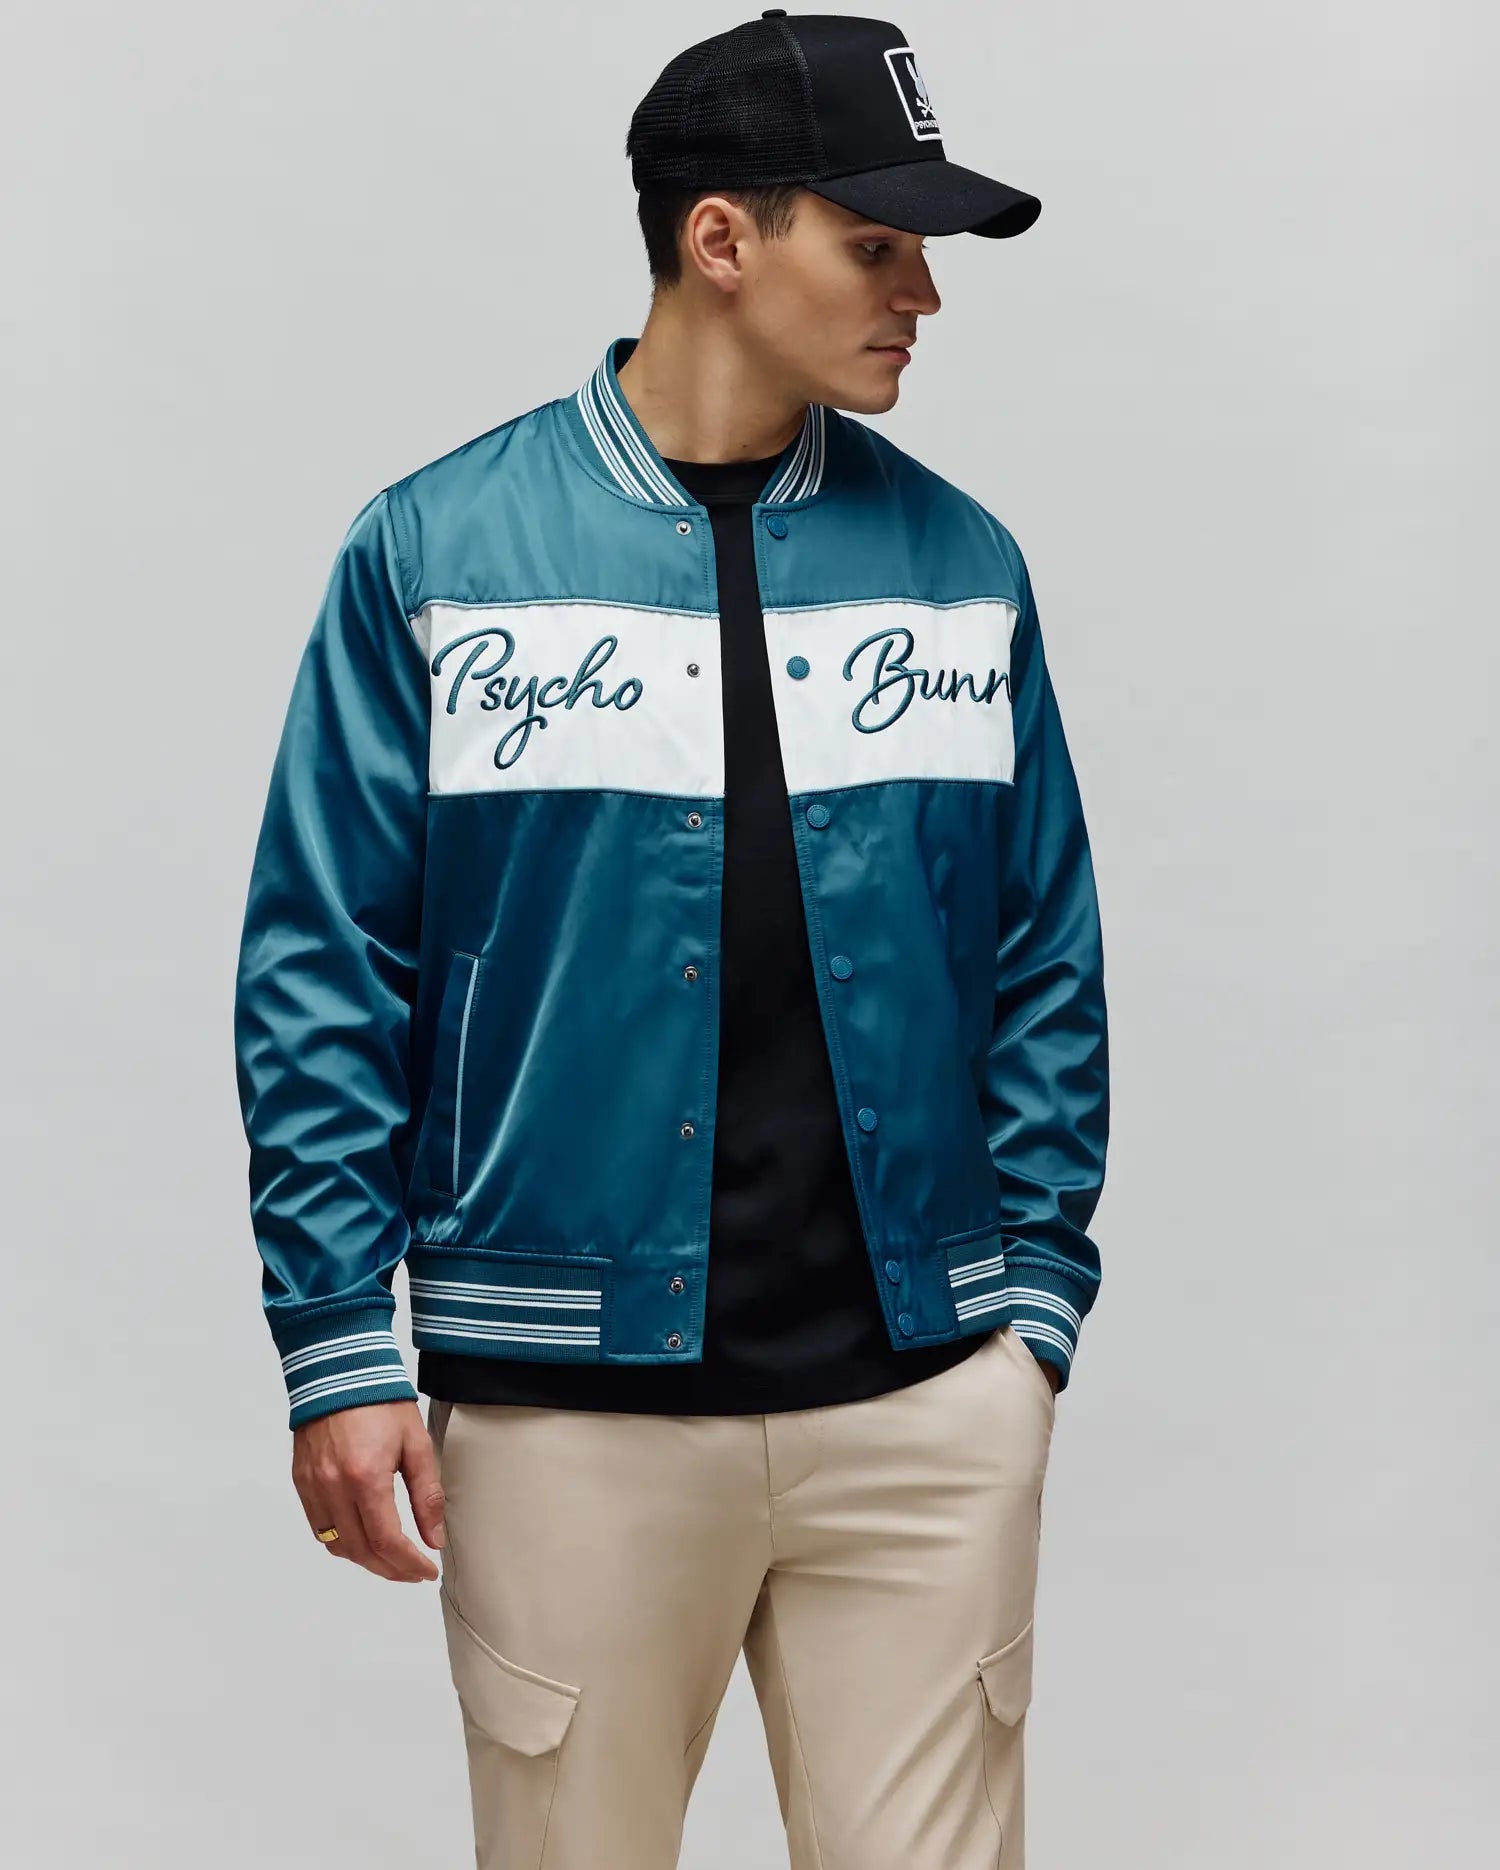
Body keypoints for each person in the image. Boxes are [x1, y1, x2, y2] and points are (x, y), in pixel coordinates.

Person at [232, 12, 1109, 1866]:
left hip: (928, 1407)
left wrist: (1026, 1321)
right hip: (567, 1412)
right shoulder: (437, 552)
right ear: (721, 239)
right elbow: (325, 964)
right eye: (877, 245)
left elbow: (1044, 954)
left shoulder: (963, 567)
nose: (924, 295)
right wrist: (337, 1342)